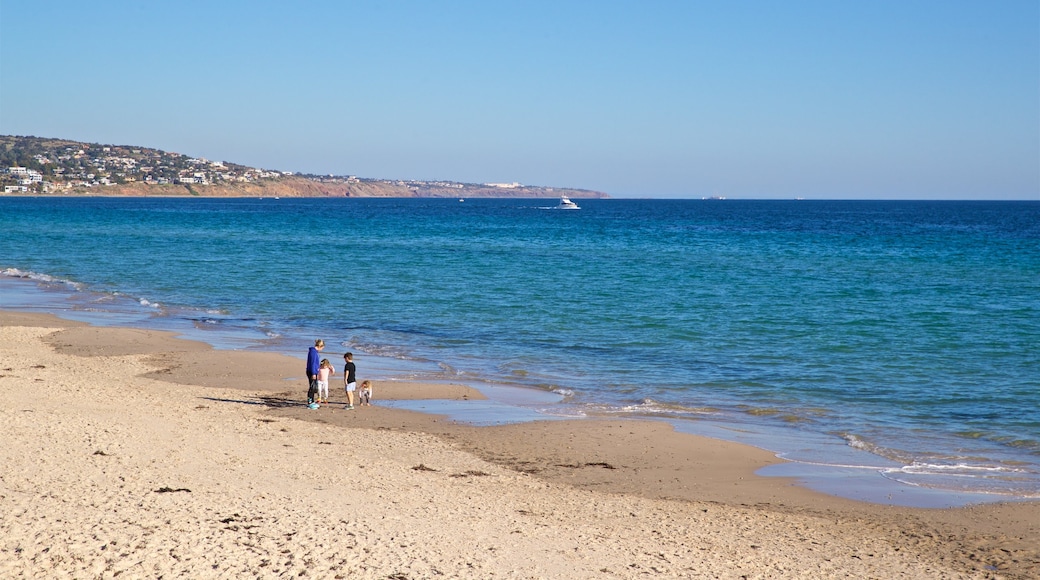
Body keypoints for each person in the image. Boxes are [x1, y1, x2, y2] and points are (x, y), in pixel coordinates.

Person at [306, 339, 324, 408]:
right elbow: (313, 363)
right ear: (320, 346)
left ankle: (312, 401)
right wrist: (314, 373)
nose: (322, 349)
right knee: (312, 387)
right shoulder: (313, 352)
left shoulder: (314, 352)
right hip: (311, 371)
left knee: (313, 387)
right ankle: (310, 402)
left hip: (313, 371)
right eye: (322, 348)